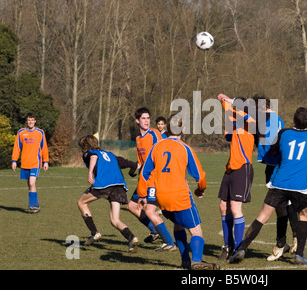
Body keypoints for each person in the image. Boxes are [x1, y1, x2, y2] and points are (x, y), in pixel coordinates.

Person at [229, 107, 307, 265]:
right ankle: (299, 255)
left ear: (293, 120)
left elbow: (272, 152)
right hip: (300, 185)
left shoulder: (283, 133)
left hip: (280, 182)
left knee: (262, 216)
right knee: (303, 216)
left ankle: (242, 249)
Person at [137, 115, 220, 270]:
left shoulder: (157, 146)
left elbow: (144, 173)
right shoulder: (184, 148)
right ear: (183, 129)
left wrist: (142, 194)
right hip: (180, 195)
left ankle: (185, 261)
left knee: (178, 225)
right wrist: (200, 189)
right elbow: (200, 176)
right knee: (196, 231)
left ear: (167, 128)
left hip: (161, 197)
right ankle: (196, 260)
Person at [253, 95, 298, 262]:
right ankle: (289, 239)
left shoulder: (269, 120)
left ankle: (288, 240)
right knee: (283, 205)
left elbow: (274, 142)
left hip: (274, 166)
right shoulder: (275, 119)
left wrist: (271, 152)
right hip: (274, 164)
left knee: (281, 204)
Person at [77, 135, 139, 253]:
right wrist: (135, 167)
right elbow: (126, 162)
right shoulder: (110, 154)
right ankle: (132, 238)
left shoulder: (89, 153)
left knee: (81, 202)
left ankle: (94, 233)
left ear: (85, 146)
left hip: (104, 184)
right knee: (115, 220)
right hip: (119, 186)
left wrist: (90, 173)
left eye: (82, 147)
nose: (82, 149)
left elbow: (93, 156)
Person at [130, 107, 176, 250]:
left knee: (150, 210)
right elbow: (141, 161)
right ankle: (155, 230)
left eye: (148, 118)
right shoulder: (138, 138)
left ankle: (169, 242)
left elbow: (167, 150)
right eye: (143, 118)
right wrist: (134, 167)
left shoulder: (155, 134)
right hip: (144, 179)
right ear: (137, 121)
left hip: (155, 179)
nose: (147, 121)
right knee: (132, 206)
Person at [217, 94, 256, 261]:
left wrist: (230, 102)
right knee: (223, 206)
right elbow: (228, 136)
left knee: (235, 208)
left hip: (243, 168)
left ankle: (239, 249)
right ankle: (228, 245)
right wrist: (226, 110)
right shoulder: (235, 122)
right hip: (230, 168)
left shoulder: (251, 121)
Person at [11, 112, 49, 213]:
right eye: (29, 120)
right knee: (30, 185)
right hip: (25, 163)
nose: (30, 122)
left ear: (35, 121)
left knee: (32, 183)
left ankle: (31, 206)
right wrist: (14, 160)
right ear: (26, 121)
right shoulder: (21, 132)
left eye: (32, 120)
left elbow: (44, 147)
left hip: (35, 163)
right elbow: (17, 147)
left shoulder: (40, 132)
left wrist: (46, 161)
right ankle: (36, 205)